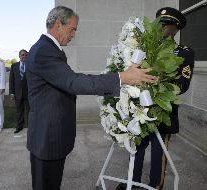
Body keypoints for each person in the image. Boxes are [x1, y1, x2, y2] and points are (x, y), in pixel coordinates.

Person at [26, 6, 156, 190]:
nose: (74, 34)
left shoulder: (49, 49)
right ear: (58, 24)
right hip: (47, 137)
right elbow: (73, 82)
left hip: (50, 135)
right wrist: (122, 77)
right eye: (72, 28)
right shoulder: (44, 51)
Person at [116, 7, 195, 190]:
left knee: (159, 151)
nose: (162, 29)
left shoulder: (184, 52)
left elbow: (182, 85)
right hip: (140, 109)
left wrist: (155, 87)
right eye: (160, 24)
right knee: (137, 146)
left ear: (175, 28)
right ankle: (132, 182)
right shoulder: (143, 48)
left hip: (163, 109)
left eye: (166, 25)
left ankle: (155, 186)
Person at [9, 49, 29, 133]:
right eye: (22, 55)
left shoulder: (30, 65)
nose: (23, 56)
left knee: (29, 110)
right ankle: (19, 126)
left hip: (28, 92)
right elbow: (11, 80)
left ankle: (30, 126)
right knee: (19, 111)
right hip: (17, 93)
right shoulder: (14, 66)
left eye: (25, 55)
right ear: (19, 56)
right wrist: (12, 93)